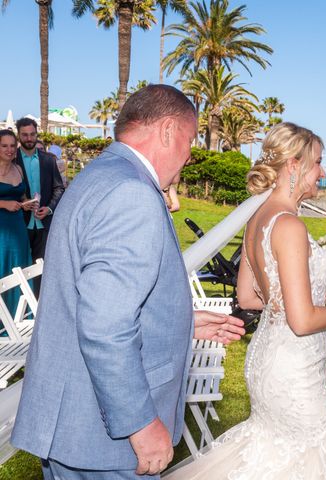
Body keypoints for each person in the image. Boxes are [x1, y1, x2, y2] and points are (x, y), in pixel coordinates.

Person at [11, 85, 246, 479]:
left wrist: (184, 320)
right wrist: (139, 424)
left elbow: (97, 298)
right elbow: (105, 326)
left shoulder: (100, 174)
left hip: (73, 422)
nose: (189, 155)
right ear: (169, 131)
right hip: (101, 439)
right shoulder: (131, 192)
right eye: (190, 140)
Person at [164, 122, 326, 479]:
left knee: (270, 452)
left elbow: (249, 297)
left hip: (267, 359)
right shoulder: (289, 225)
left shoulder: (258, 218)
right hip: (293, 368)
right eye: (318, 162)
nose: (322, 172)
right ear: (294, 165)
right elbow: (301, 321)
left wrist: (314, 296)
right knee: (307, 455)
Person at [14, 117, 64, 265]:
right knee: (19, 266)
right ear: (19, 135)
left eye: (32, 134)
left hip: (44, 224)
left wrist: (49, 208)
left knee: (41, 268)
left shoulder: (48, 160)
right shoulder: (11, 160)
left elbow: (59, 188)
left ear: (37, 134)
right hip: (19, 223)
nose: (29, 138)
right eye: (25, 135)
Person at [0, 129, 32, 318]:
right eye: (4, 146)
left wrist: (27, 203)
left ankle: (16, 318)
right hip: (1, 231)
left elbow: (20, 196)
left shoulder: (18, 169)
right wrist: (4, 204)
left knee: (18, 269)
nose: (10, 150)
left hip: (18, 230)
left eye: (13, 146)